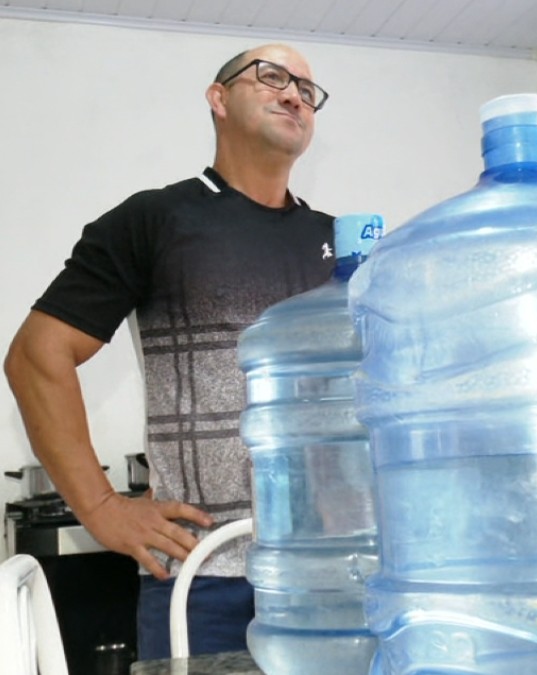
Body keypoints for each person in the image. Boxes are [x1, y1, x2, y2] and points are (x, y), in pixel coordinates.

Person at [4, 43, 335, 659]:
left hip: (331, 569)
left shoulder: (338, 243)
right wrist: (101, 506)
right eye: (272, 77)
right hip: (203, 574)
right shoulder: (155, 219)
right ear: (218, 99)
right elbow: (35, 356)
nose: (294, 95)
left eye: (308, 91)